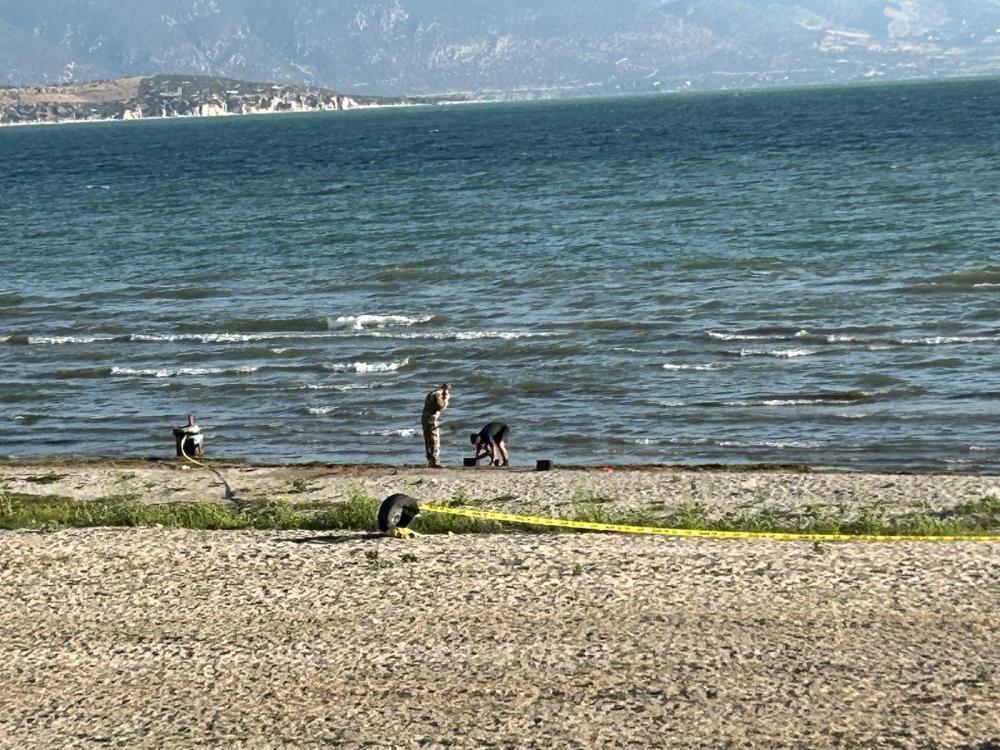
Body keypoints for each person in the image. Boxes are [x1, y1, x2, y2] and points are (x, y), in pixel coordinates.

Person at [421, 383, 451, 468]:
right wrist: (446, 400)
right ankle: (434, 461)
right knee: (434, 440)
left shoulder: (432, 393)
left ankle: (430, 460)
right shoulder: (438, 394)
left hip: (425, 418)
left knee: (428, 439)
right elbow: (441, 406)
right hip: (431, 419)